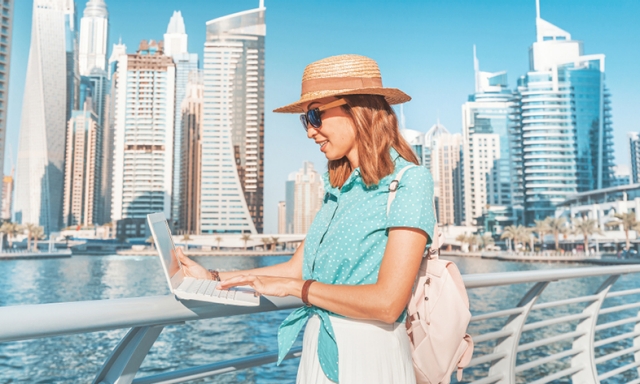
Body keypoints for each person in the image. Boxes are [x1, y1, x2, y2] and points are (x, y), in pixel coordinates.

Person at [177, 54, 435, 384]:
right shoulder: (337, 189)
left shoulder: (410, 181)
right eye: (305, 120)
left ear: (356, 108)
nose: (310, 131)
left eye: (315, 115)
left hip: (369, 358)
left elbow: (387, 302)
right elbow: (293, 269)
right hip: (317, 351)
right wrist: (211, 277)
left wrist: (298, 289)